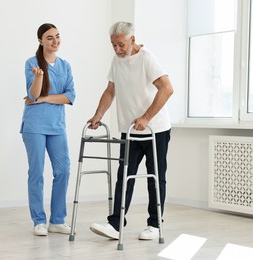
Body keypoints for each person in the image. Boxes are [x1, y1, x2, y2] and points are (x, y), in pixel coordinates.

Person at [88, 21, 173, 240]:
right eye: (113, 45)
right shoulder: (117, 61)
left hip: (156, 129)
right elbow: (110, 90)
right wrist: (98, 114)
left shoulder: (147, 58)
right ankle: (115, 225)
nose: (117, 50)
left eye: (121, 45)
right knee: (124, 176)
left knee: (156, 178)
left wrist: (146, 117)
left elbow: (167, 88)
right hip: (130, 130)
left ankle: (155, 225)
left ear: (132, 40)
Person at [20, 23, 76, 236]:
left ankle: (57, 220)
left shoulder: (65, 66)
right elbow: (32, 95)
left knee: (63, 171)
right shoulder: (32, 63)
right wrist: (38, 78)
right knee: (36, 173)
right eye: (50, 38)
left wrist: (44, 98)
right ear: (41, 41)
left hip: (57, 127)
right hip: (34, 126)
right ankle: (39, 221)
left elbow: (70, 96)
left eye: (57, 36)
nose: (55, 41)